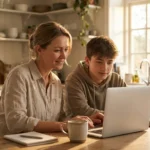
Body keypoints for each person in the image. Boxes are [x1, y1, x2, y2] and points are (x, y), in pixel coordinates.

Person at [0, 21, 96, 136]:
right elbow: (16, 122)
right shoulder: (19, 75)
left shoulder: (56, 81)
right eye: (57, 50)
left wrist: (76, 121)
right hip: (12, 145)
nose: (63, 56)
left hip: (43, 143)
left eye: (66, 49)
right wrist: (64, 125)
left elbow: (58, 118)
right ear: (39, 50)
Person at [65, 36, 126, 119]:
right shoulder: (73, 80)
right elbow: (82, 111)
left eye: (109, 62)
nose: (105, 68)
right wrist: (118, 115)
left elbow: (128, 106)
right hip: (83, 130)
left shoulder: (117, 79)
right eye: (99, 62)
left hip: (113, 127)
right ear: (87, 61)